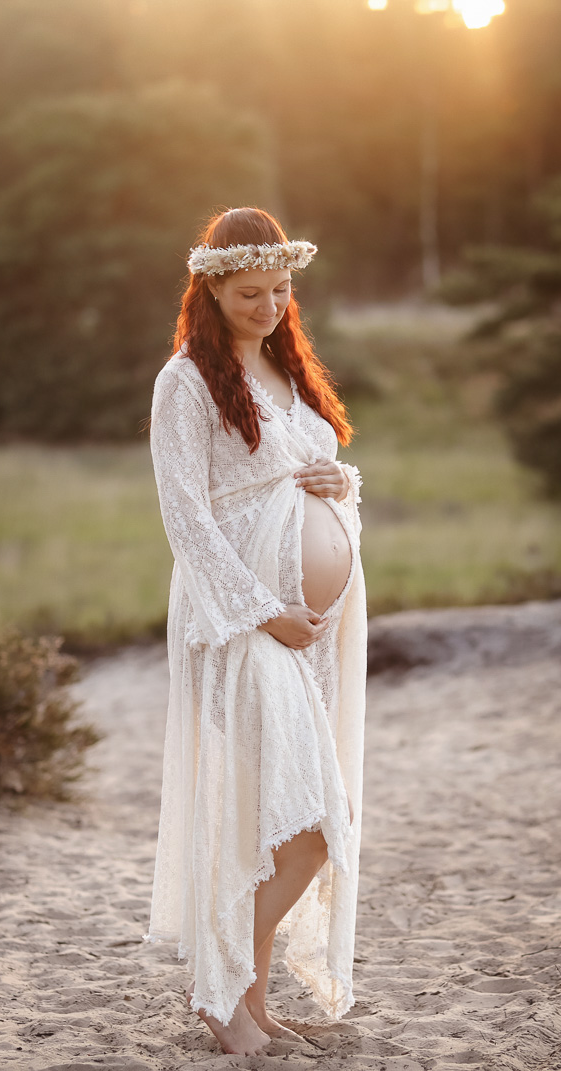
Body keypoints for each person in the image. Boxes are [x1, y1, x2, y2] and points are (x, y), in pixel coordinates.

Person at [145, 207, 366, 1056]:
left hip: (299, 630)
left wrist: (335, 477)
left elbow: (313, 481)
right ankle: (220, 987)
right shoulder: (185, 382)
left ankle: (254, 1010)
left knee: (275, 822)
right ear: (210, 287)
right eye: (249, 294)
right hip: (238, 622)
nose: (269, 307)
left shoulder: (284, 366)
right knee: (316, 825)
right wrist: (263, 610)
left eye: (280, 291)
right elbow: (186, 518)